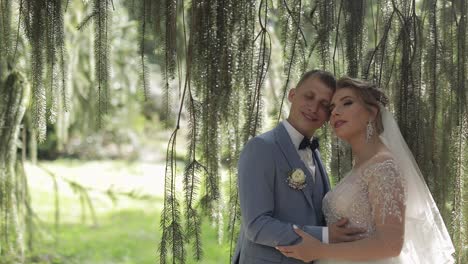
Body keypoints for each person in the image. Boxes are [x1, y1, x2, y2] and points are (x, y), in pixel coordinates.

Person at [276, 77, 455, 263]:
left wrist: (320, 250)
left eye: (347, 103)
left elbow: (391, 244)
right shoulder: (361, 167)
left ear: (372, 112)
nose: (335, 112)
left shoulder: (383, 166)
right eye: (332, 108)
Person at [232, 70, 365, 264]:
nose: (314, 107)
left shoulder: (316, 155)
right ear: (292, 95)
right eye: (309, 96)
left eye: (324, 105)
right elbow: (257, 226)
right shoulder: (261, 148)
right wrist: (326, 236)